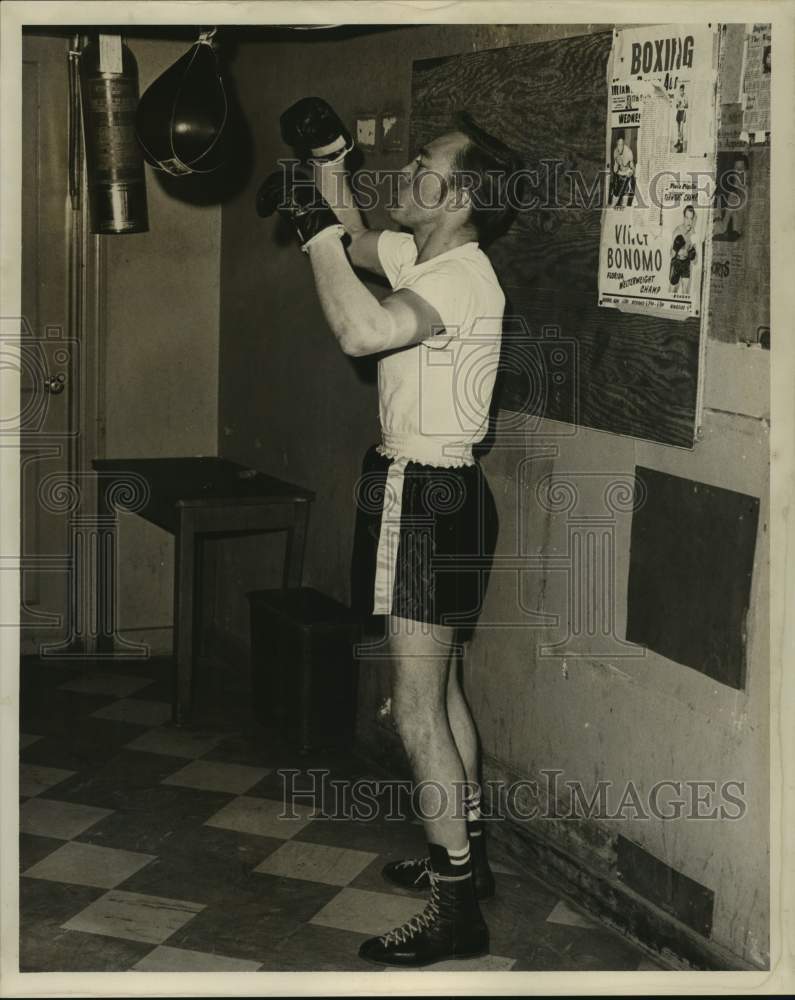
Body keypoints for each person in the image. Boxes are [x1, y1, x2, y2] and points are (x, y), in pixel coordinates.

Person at [257, 100, 522, 967]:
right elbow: (354, 232)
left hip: (428, 494)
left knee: (412, 708)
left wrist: (310, 239)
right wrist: (328, 163)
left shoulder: (462, 280)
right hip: (422, 485)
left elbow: (362, 329)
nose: (407, 174)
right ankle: (468, 862)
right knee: (439, 693)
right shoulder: (427, 253)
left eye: (424, 168)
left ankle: (454, 915)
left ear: (461, 197)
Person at [669, 204, 697, 295]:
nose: (689, 221)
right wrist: (676, 247)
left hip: (686, 264)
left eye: (691, 218)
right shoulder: (677, 230)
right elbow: (671, 254)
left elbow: (694, 257)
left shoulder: (693, 233)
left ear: (693, 219)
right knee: (672, 290)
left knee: (685, 292)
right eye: (687, 218)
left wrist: (692, 254)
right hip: (676, 262)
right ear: (683, 217)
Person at [610, 134, 635, 206]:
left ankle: (624, 207)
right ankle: (612, 208)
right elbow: (615, 169)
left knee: (626, 193)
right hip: (620, 174)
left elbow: (632, 167)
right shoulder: (615, 152)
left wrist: (630, 172)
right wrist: (620, 173)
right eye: (618, 144)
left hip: (627, 174)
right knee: (615, 193)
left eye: (621, 144)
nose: (620, 147)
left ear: (624, 144)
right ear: (616, 144)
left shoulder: (629, 152)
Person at [674, 84, 688, 152]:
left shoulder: (685, 96)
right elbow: (676, 106)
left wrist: (683, 104)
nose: (681, 91)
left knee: (681, 129)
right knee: (678, 129)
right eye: (680, 90)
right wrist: (677, 104)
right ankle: (678, 141)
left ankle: (681, 146)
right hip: (678, 112)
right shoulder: (678, 96)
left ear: (683, 90)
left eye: (682, 90)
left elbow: (687, 106)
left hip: (683, 112)